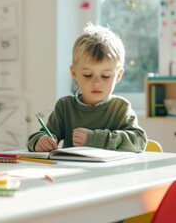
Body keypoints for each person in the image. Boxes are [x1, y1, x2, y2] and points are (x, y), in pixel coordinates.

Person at [27, 23, 147, 153]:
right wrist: (40, 141)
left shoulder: (120, 108)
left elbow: (139, 141)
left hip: (112, 173)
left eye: (105, 76)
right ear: (74, 73)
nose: (96, 82)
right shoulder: (65, 107)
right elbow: (39, 136)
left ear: (118, 75)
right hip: (71, 172)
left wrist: (95, 139)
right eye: (88, 75)